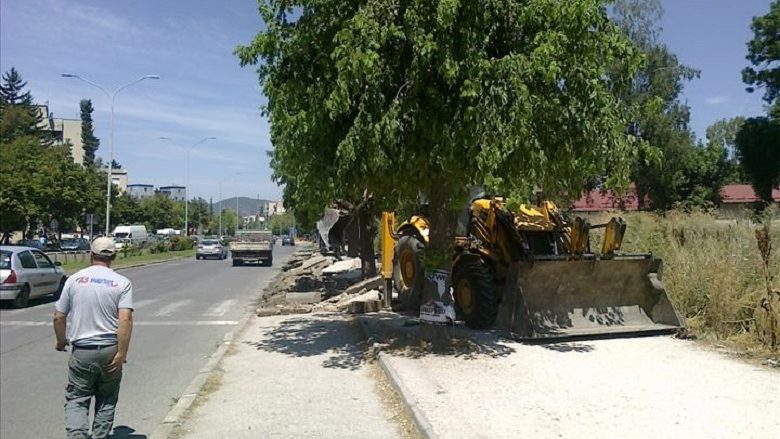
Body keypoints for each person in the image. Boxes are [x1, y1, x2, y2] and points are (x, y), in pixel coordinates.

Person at [53, 237, 134, 439]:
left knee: (77, 397)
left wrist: (61, 340)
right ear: (113, 256)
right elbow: (125, 319)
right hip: (109, 348)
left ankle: (77, 435)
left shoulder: (74, 279)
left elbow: (59, 316)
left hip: (83, 350)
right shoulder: (122, 283)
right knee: (106, 398)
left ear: (91, 254)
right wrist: (122, 352)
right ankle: (100, 435)